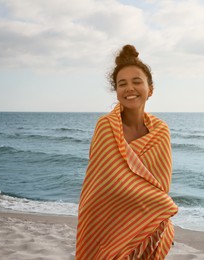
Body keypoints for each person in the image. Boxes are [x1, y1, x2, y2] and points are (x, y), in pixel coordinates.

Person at [75, 45, 178, 259]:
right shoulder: (105, 126)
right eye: (122, 84)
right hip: (106, 220)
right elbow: (100, 183)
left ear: (151, 89)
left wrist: (155, 207)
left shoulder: (160, 130)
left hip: (145, 225)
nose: (129, 88)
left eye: (137, 82)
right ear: (117, 91)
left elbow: (161, 185)